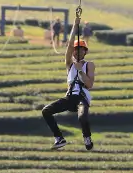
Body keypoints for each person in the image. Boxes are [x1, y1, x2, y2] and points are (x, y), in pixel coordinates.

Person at [41, 16, 95, 151]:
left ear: (85, 52)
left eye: (81, 50)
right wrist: (75, 26)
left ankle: (87, 137)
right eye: (77, 50)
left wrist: (80, 72)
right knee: (46, 111)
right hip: (70, 97)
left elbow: (89, 84)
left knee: (82, 116)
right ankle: (59, 138)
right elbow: (70, 45)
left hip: (82, 97)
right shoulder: (69, 63)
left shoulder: (89, 65)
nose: (78, 52)